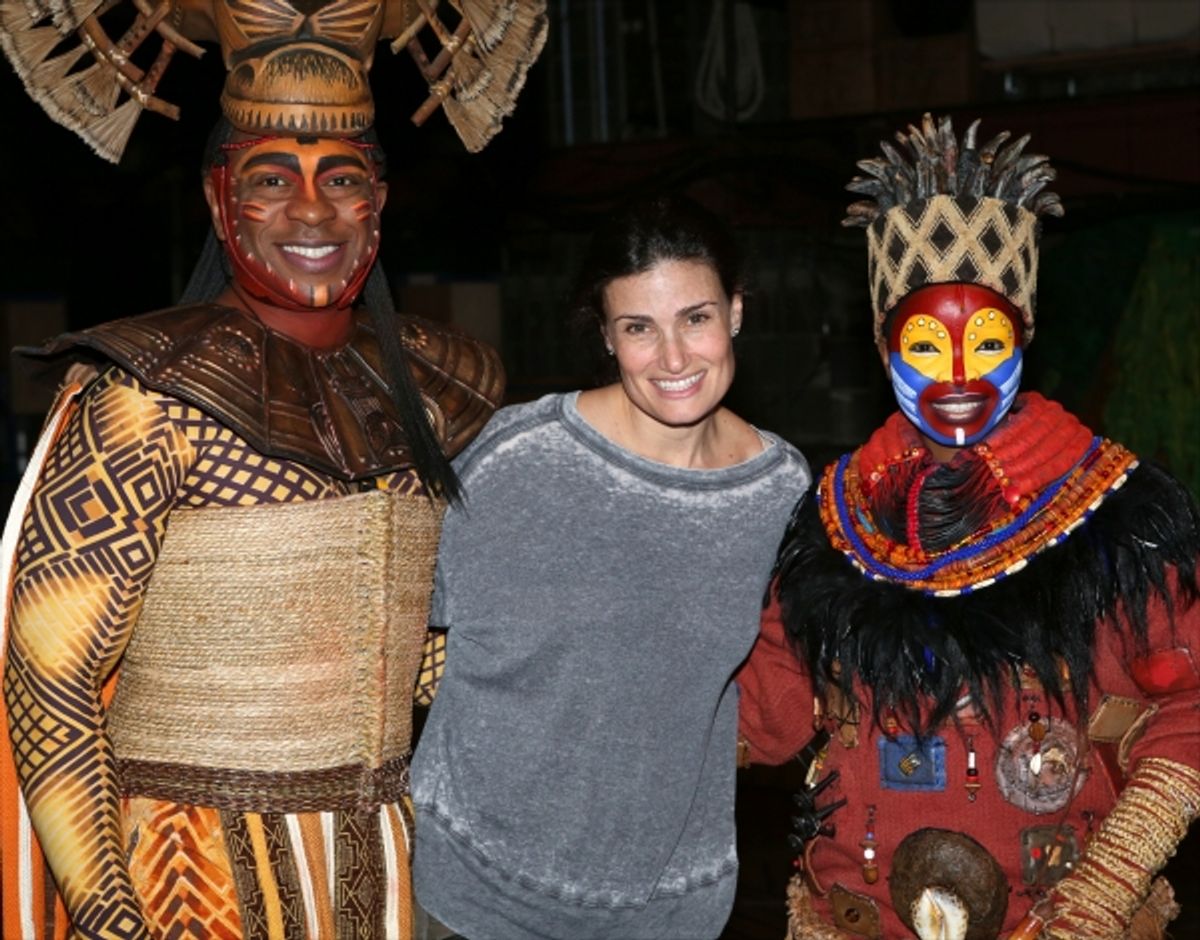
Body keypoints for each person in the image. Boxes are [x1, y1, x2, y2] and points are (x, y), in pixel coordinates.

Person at [0, 3, 547, 937]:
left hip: (394, 871)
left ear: (380, 197)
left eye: (341, 178)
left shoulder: (440, 393)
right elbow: (49, 680)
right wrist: (109, 920)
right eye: (271, 180)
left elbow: (423, 645)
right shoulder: (146, 400)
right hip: (190, 876)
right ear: (221, 200)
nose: (311, 212)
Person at [736, 114, 1200, 940]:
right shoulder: (832, 521)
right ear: (883, 351)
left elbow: (1188, 706)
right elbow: (766, 714)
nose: (957, 375)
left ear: (1025, 335)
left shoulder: (1120, 517)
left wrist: (1103, 891)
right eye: (924, 342)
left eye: (985, 340)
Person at [410, 195, 812, 940]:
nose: (673, 358)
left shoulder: (779, 490)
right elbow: (385, 621)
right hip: (474, 895)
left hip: (669, 910)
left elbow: (774, 693)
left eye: (695, 318)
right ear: (605, 336)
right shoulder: (514, 460)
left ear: (735, 312)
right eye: (638, 328)